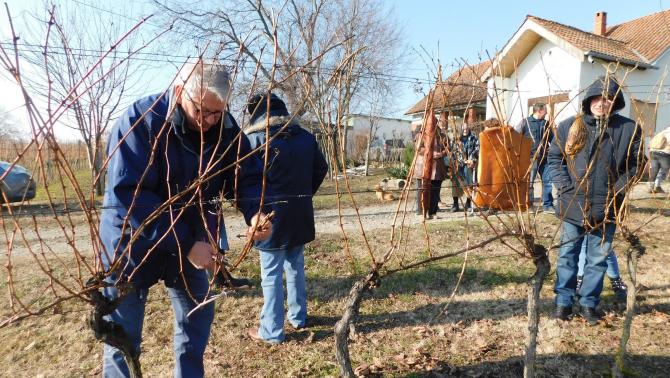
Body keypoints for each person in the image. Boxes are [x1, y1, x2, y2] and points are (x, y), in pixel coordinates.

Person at [98, 60, 272, 377]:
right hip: (132, 246)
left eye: (217, 112)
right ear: (179, 92)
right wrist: (188, 243)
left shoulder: (226, 129)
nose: (208, 121)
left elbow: (245, 176)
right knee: (122, 342)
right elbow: (130, 198)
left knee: (196, 324)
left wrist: (254, 211)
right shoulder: (141, 122)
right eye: (201, 111)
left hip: (191, 243)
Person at [547, 76, 642, 325]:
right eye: (597, 98)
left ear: (615, 102)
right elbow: (554, 159)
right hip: (572, 204)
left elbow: (635, 165)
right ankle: (563, 302)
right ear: (589, 100)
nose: (602, 103)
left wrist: (616, 191)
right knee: (567, 254)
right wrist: (566, 186)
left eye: (608, 98)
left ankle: (589, 302)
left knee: (597, 259)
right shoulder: (570, 126)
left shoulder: (629, 129)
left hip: (608, 206)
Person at [243, 93, 328, 344]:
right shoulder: (305, 137)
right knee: (295, 265)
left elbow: (244, 182)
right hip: (299, 214)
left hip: (269, 218)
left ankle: (271, 331)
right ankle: (298, 317)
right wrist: (304, 195)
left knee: (270, 274)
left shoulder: (254, 140)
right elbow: (321, 168)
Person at [516, 103, 554, 212]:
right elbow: (516, 137)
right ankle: (529, 205)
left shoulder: (546, 124)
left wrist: (553, 150)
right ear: (540, 111)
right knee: (530, 182)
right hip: (530, 158)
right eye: (545, 110)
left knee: (548, 181)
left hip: (544, 158)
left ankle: (548, 205)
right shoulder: (525, 122)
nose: (547, 112)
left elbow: (553, 139)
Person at [413, 117, 448, 218]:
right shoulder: (421, 135)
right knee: (422, 190)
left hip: (437, 167)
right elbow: (419, 149)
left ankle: (433, 212)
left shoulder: (442, 136)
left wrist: (441, 153)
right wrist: (431, 153)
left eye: (434, 123)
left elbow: (448, 148)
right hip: (423, 166)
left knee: (435, 190)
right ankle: (421, 212)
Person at [455, 122, 479, 212]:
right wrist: (462, 160)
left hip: (470, 165)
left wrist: (471, 160)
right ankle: (455, 204)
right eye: (463, 129)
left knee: (470, 184)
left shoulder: (474, 138)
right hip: (460, 164)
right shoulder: (458, 139)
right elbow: (455, 151)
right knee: (460, 184)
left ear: (468, 128)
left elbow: (477, 149)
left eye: (466, 128)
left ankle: (468, 203)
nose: (465, 130)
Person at [648, 126, 670, 194]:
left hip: (653, 153)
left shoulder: (662, 132)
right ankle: (657, 186)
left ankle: (650, 187)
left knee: (654, 171)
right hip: (664, 154)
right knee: (663, 170)